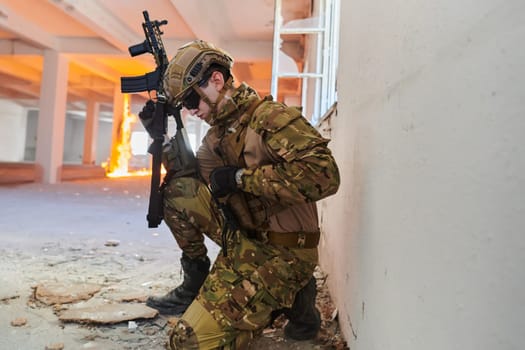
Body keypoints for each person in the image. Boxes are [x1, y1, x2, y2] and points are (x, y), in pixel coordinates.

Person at [139, 39, 340, 349]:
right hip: (246, 240)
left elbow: (325, 177)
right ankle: (199, 282)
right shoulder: (217, 137)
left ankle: (294, 294)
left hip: (285, 252)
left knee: (187, 343)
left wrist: (241, 178)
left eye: (192, 99)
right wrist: (160, 137)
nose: (191, 111)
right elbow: (193, 182)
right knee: (177, 192)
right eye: (184, 105)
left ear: (216, 81)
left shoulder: (270, 119)